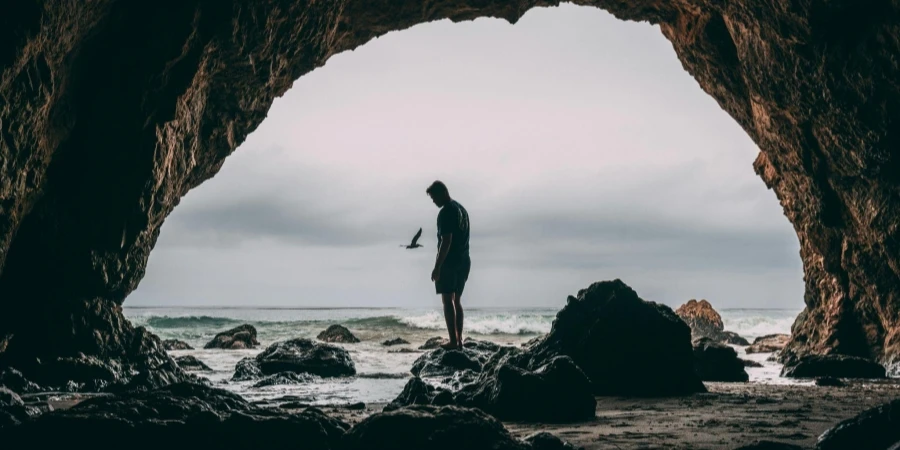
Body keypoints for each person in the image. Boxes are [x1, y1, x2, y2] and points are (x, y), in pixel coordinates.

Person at [426, 181, 470, 350]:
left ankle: (453, 341)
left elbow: (446, 241)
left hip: (450, 262)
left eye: (434, 197)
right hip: (464, 260)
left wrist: (437, 267)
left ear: (443, 192)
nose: (434, 202)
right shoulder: (462, 210)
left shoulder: (446, 212)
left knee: (446, 300)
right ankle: (459, 340)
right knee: (457, 300)